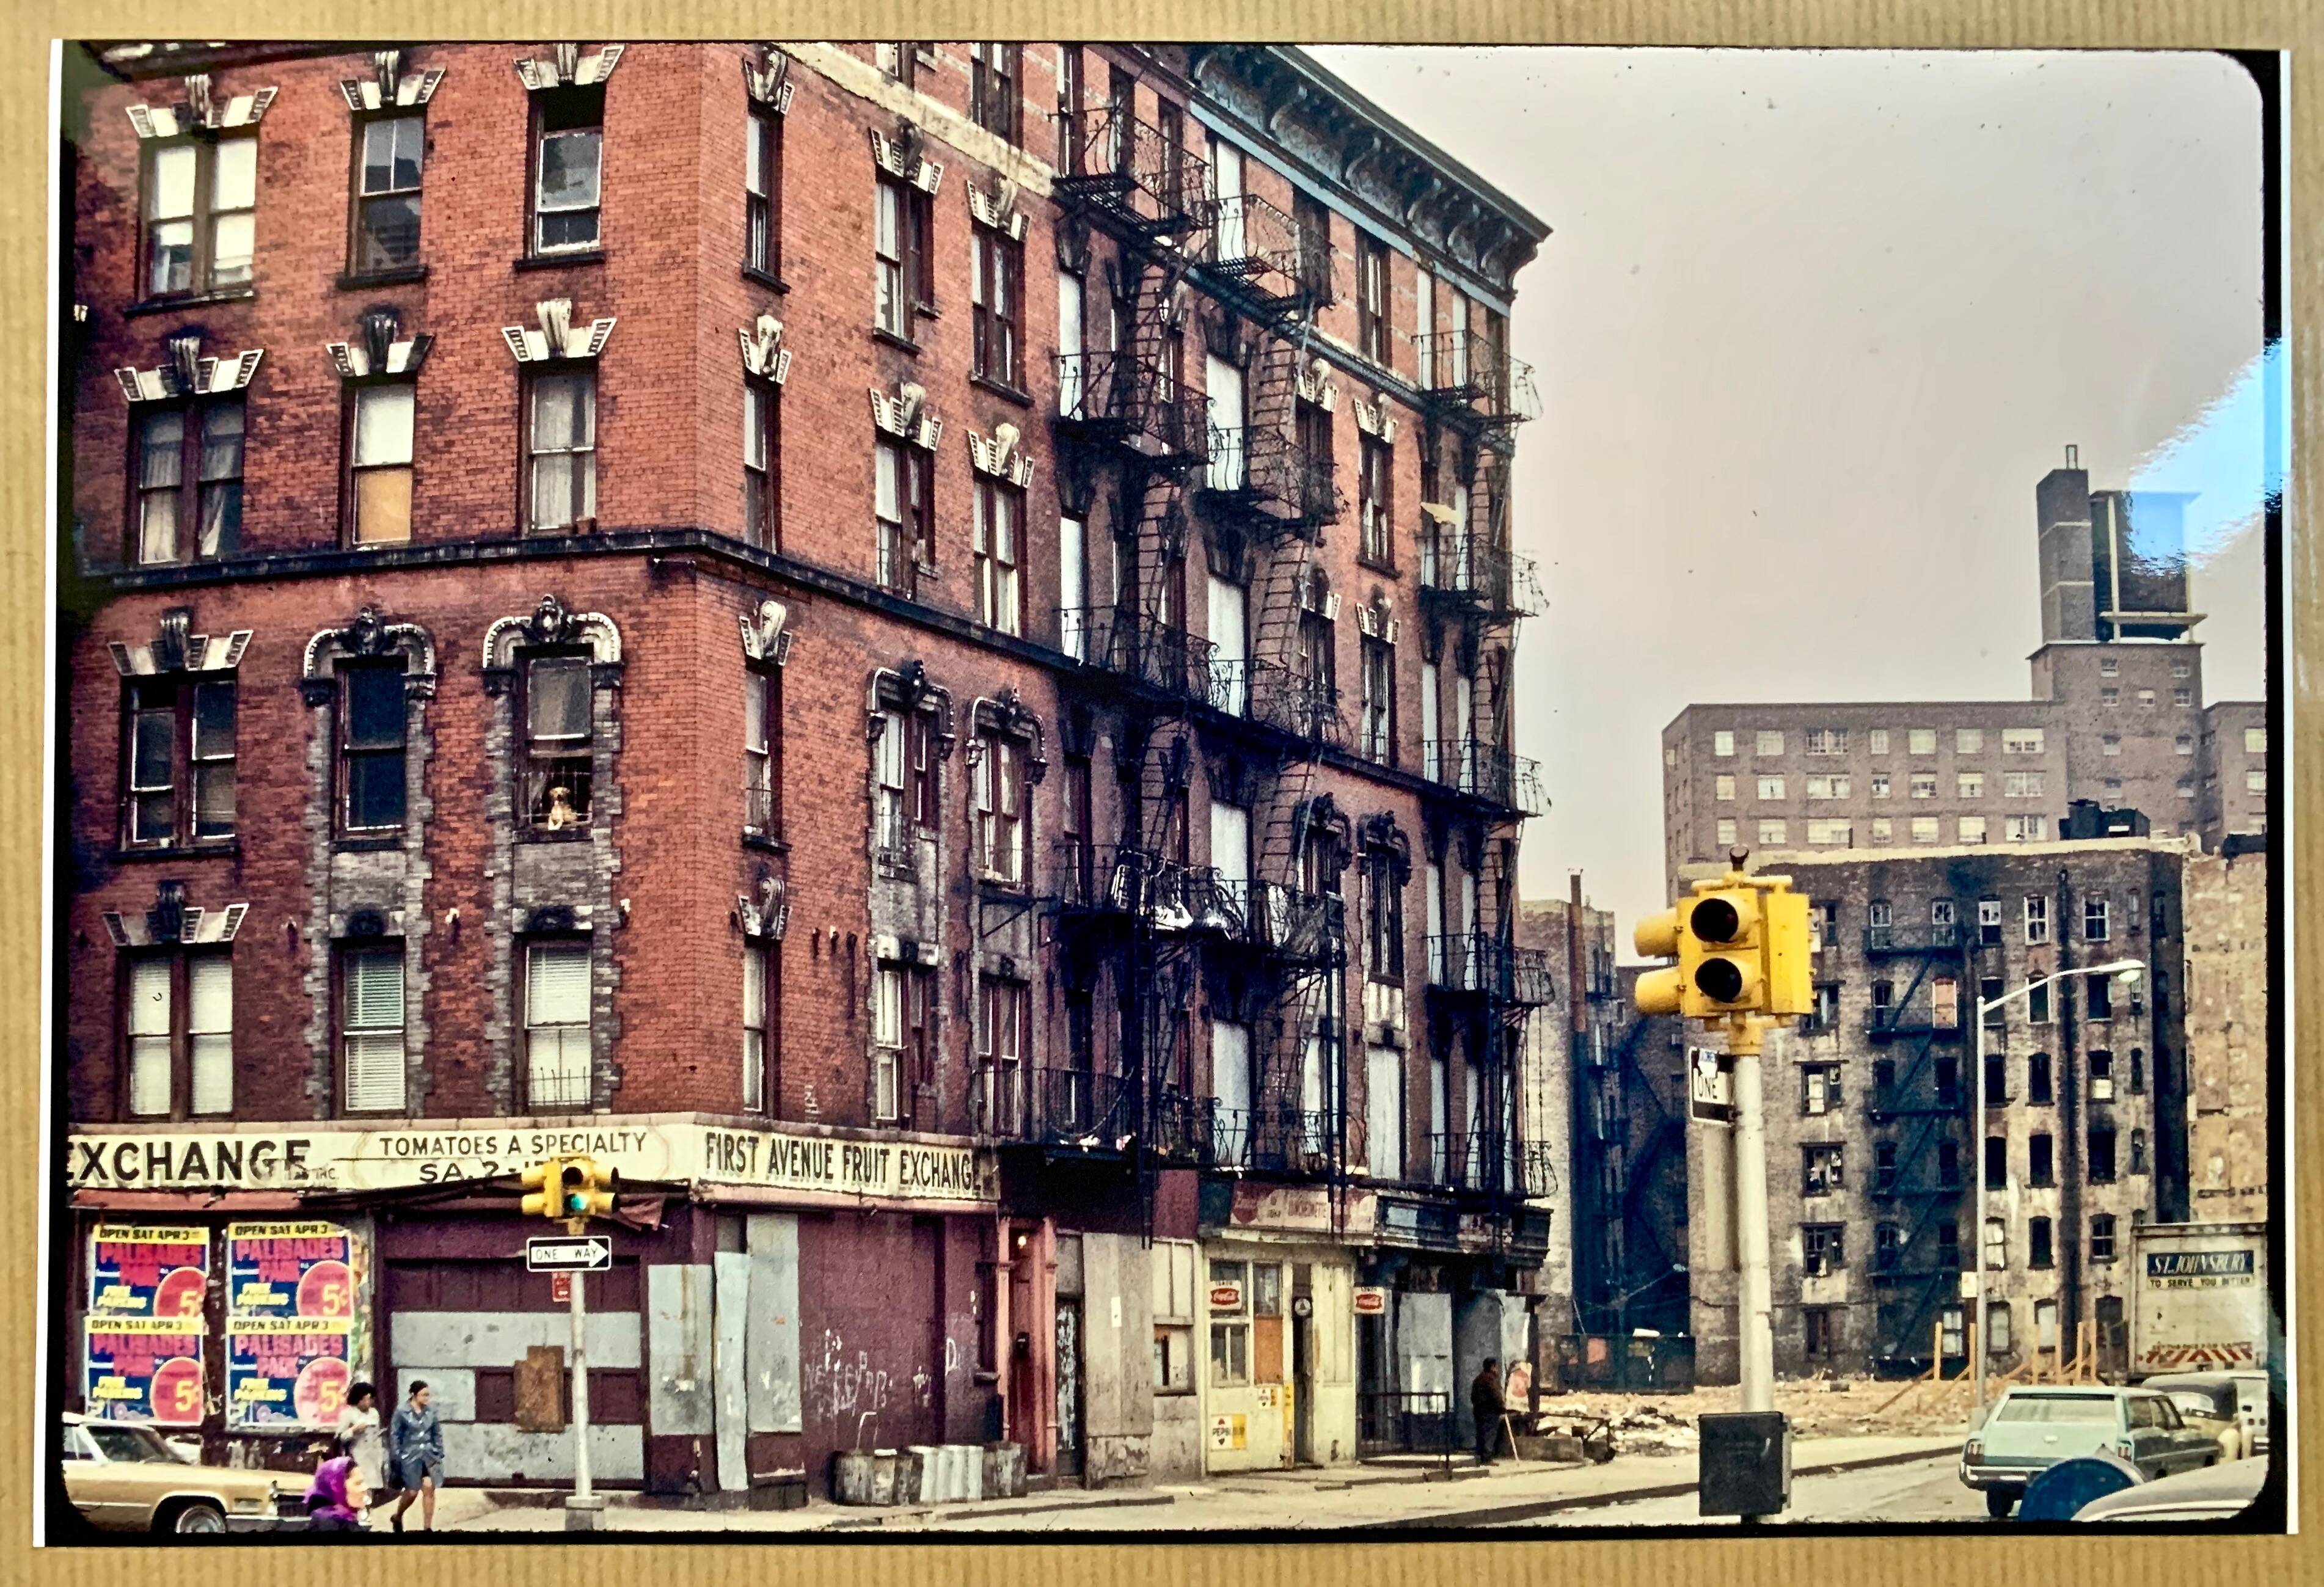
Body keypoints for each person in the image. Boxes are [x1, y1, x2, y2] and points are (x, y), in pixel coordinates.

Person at [387, 1381, 444, 1533]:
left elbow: (436, 1432)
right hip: (410, 1456)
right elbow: (395, 1435)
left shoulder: (431, 1412)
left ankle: (427, 1528)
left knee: (429, 1488)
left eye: (428, 1395)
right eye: (423, 1395)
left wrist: (438, 1451)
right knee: (412, 1491)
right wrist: (398, 1455)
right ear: (413, 1394)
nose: (427, 1398)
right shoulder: (401, 1411)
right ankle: (398, 1516)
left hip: (428, 1456)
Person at [336, 1382, 385, 1516]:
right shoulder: (348, 1414)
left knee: (371, 1491)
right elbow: (340, 1437)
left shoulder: (374, 1413)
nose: (367, 1402)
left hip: (373, 1454)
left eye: (369, 1399)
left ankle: (367, 1515)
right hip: (357, 1455)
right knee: (360, 1488)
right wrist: (353, 1430)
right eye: (364, 1399)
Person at [305, 1453, 366, 1534]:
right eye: (358, 1483)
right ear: (338, 1487)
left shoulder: (319, 1519)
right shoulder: (340, 1526)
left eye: (363, 1482)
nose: (365, 1488)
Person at [1471, 1357, 1505, 1465]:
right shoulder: (1491, 1380)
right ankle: (1487, 1458)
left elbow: (1473, 1396)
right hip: (1490, 1411)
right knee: (1490, 1434)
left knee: (1481, 1433)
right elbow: (1496, 1395)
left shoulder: (1478, 1379)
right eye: (1496, 1367)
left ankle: (1479, 1457)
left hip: (1479, 1411)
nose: (1497, 1369)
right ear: (1493, 1367)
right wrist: (1502, 1407)